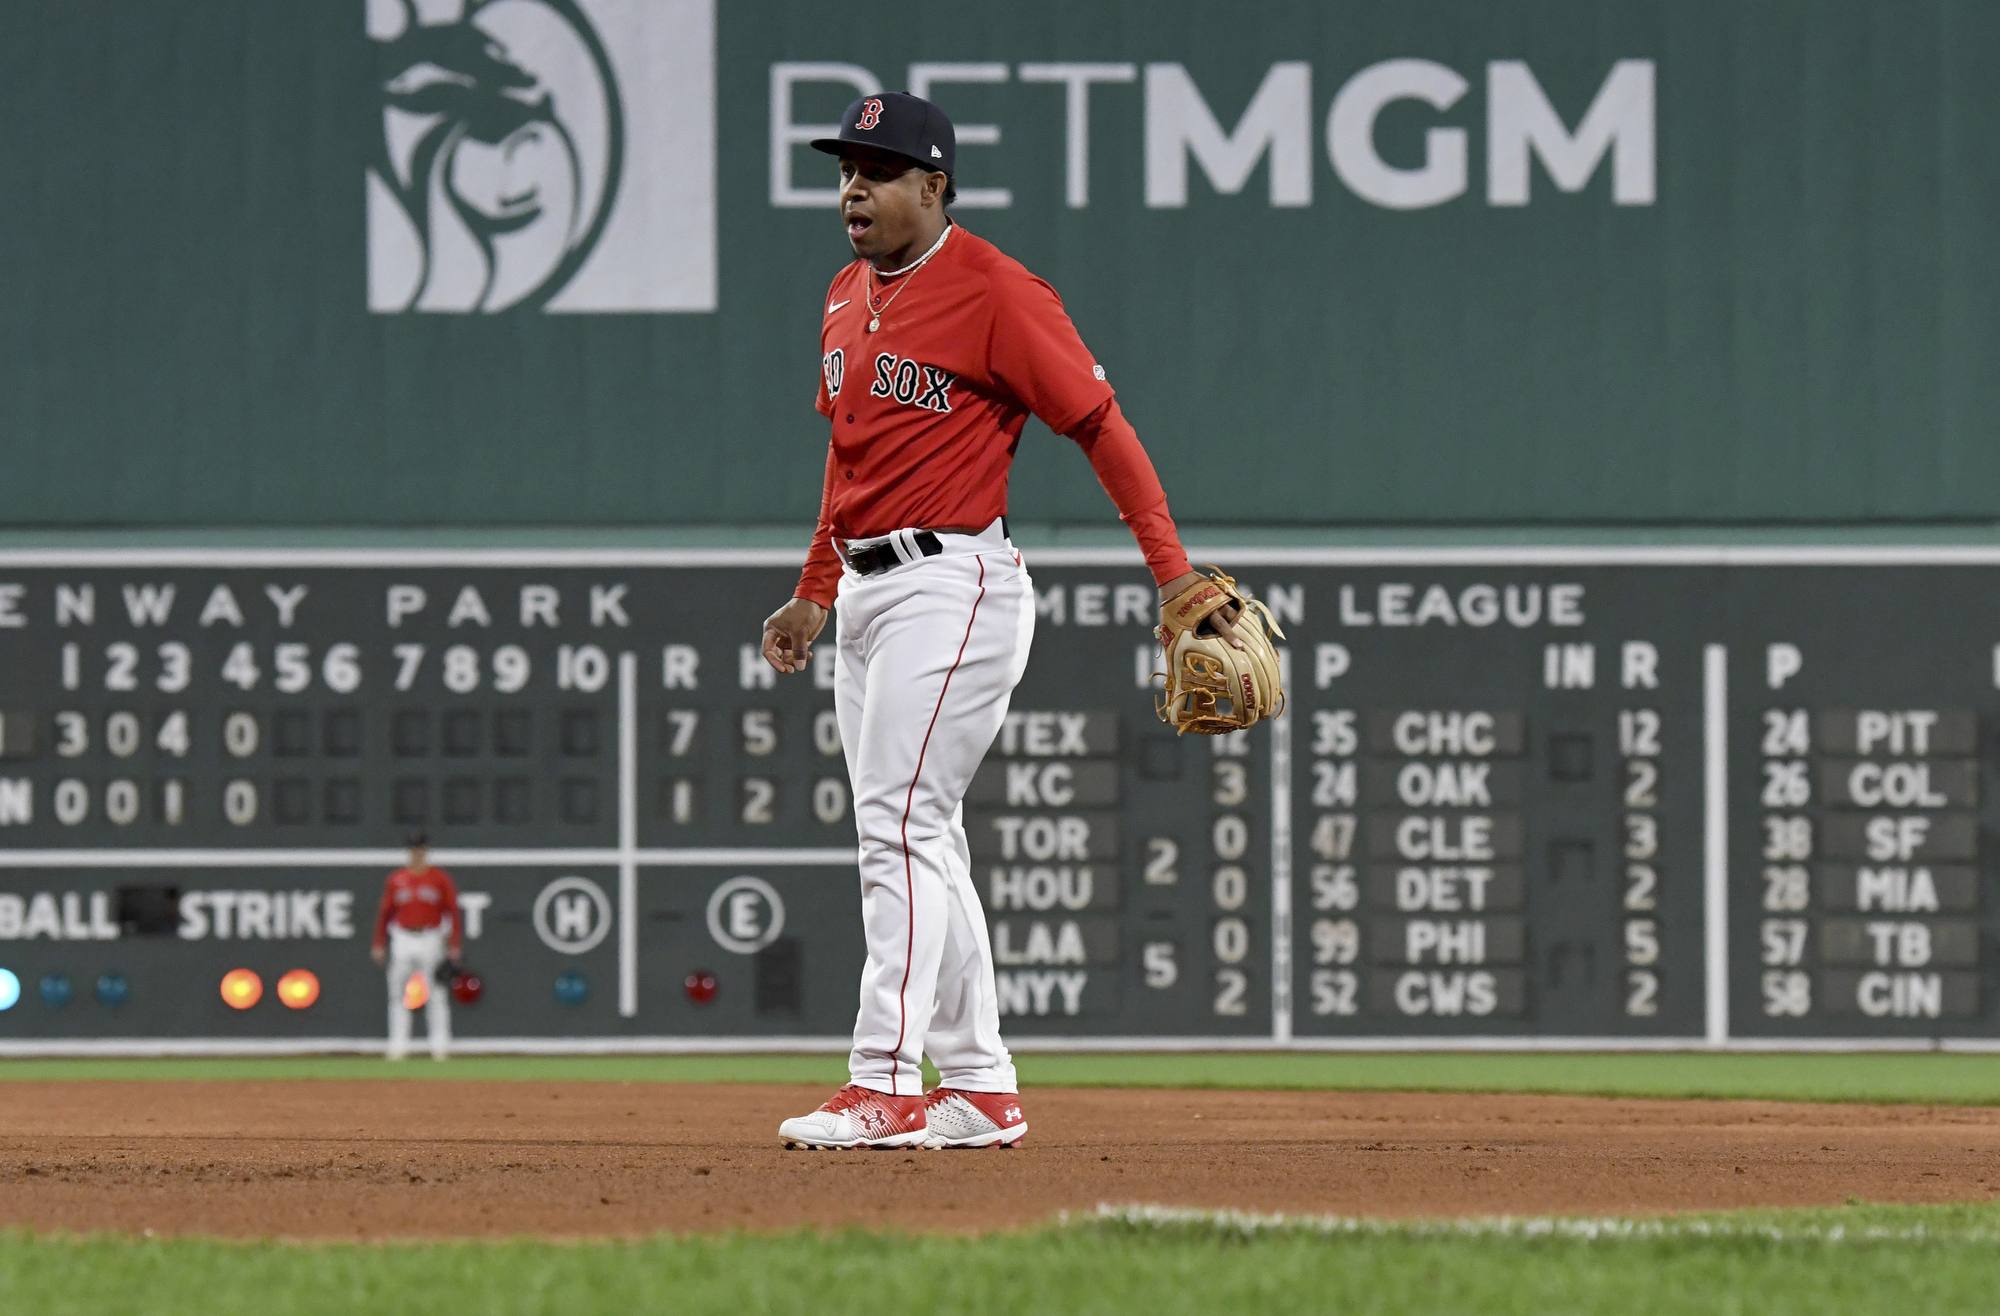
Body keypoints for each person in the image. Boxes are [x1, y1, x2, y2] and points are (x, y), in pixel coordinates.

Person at [762, 93, 1239, 1150]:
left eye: (878, 169)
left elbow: (1098, 424)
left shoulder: (995, 289)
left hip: (954, 582)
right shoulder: (845, 295)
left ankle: (883, 1080)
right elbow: (848, 462)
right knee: (923, 834)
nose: (853, 186)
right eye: (845, 167)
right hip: (867, 587)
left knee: (896, 825)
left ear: (934, 186)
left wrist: (1170, 574)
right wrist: (815, 586)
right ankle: (977, 1086)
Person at [370, 831, 462, 1061]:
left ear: (426, 850)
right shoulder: (396, 879)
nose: (416, 853)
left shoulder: (439, 879)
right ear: (408, 851)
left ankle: (440, 1046)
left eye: (420, 848)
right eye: (413, 849)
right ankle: (398, 1045)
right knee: (397, 993)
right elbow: (385, 914)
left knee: (437, 993)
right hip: (402, 936)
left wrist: (454, 944)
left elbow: (453, 912)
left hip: (431, 936)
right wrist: (379, 943)